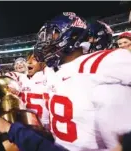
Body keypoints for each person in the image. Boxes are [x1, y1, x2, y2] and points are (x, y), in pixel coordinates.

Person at [34, 12, 131, 150]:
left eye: (52, 35)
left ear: (72, 35)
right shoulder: (53, 71)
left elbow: (119, 145)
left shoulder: (101, 66)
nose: (45, 43)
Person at [6, 52, 50, 128]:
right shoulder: (20, 78)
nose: (29, 62)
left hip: (44, 124)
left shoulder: (48, 75)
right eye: (27, 60)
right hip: (26, 122)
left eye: (34, 59)